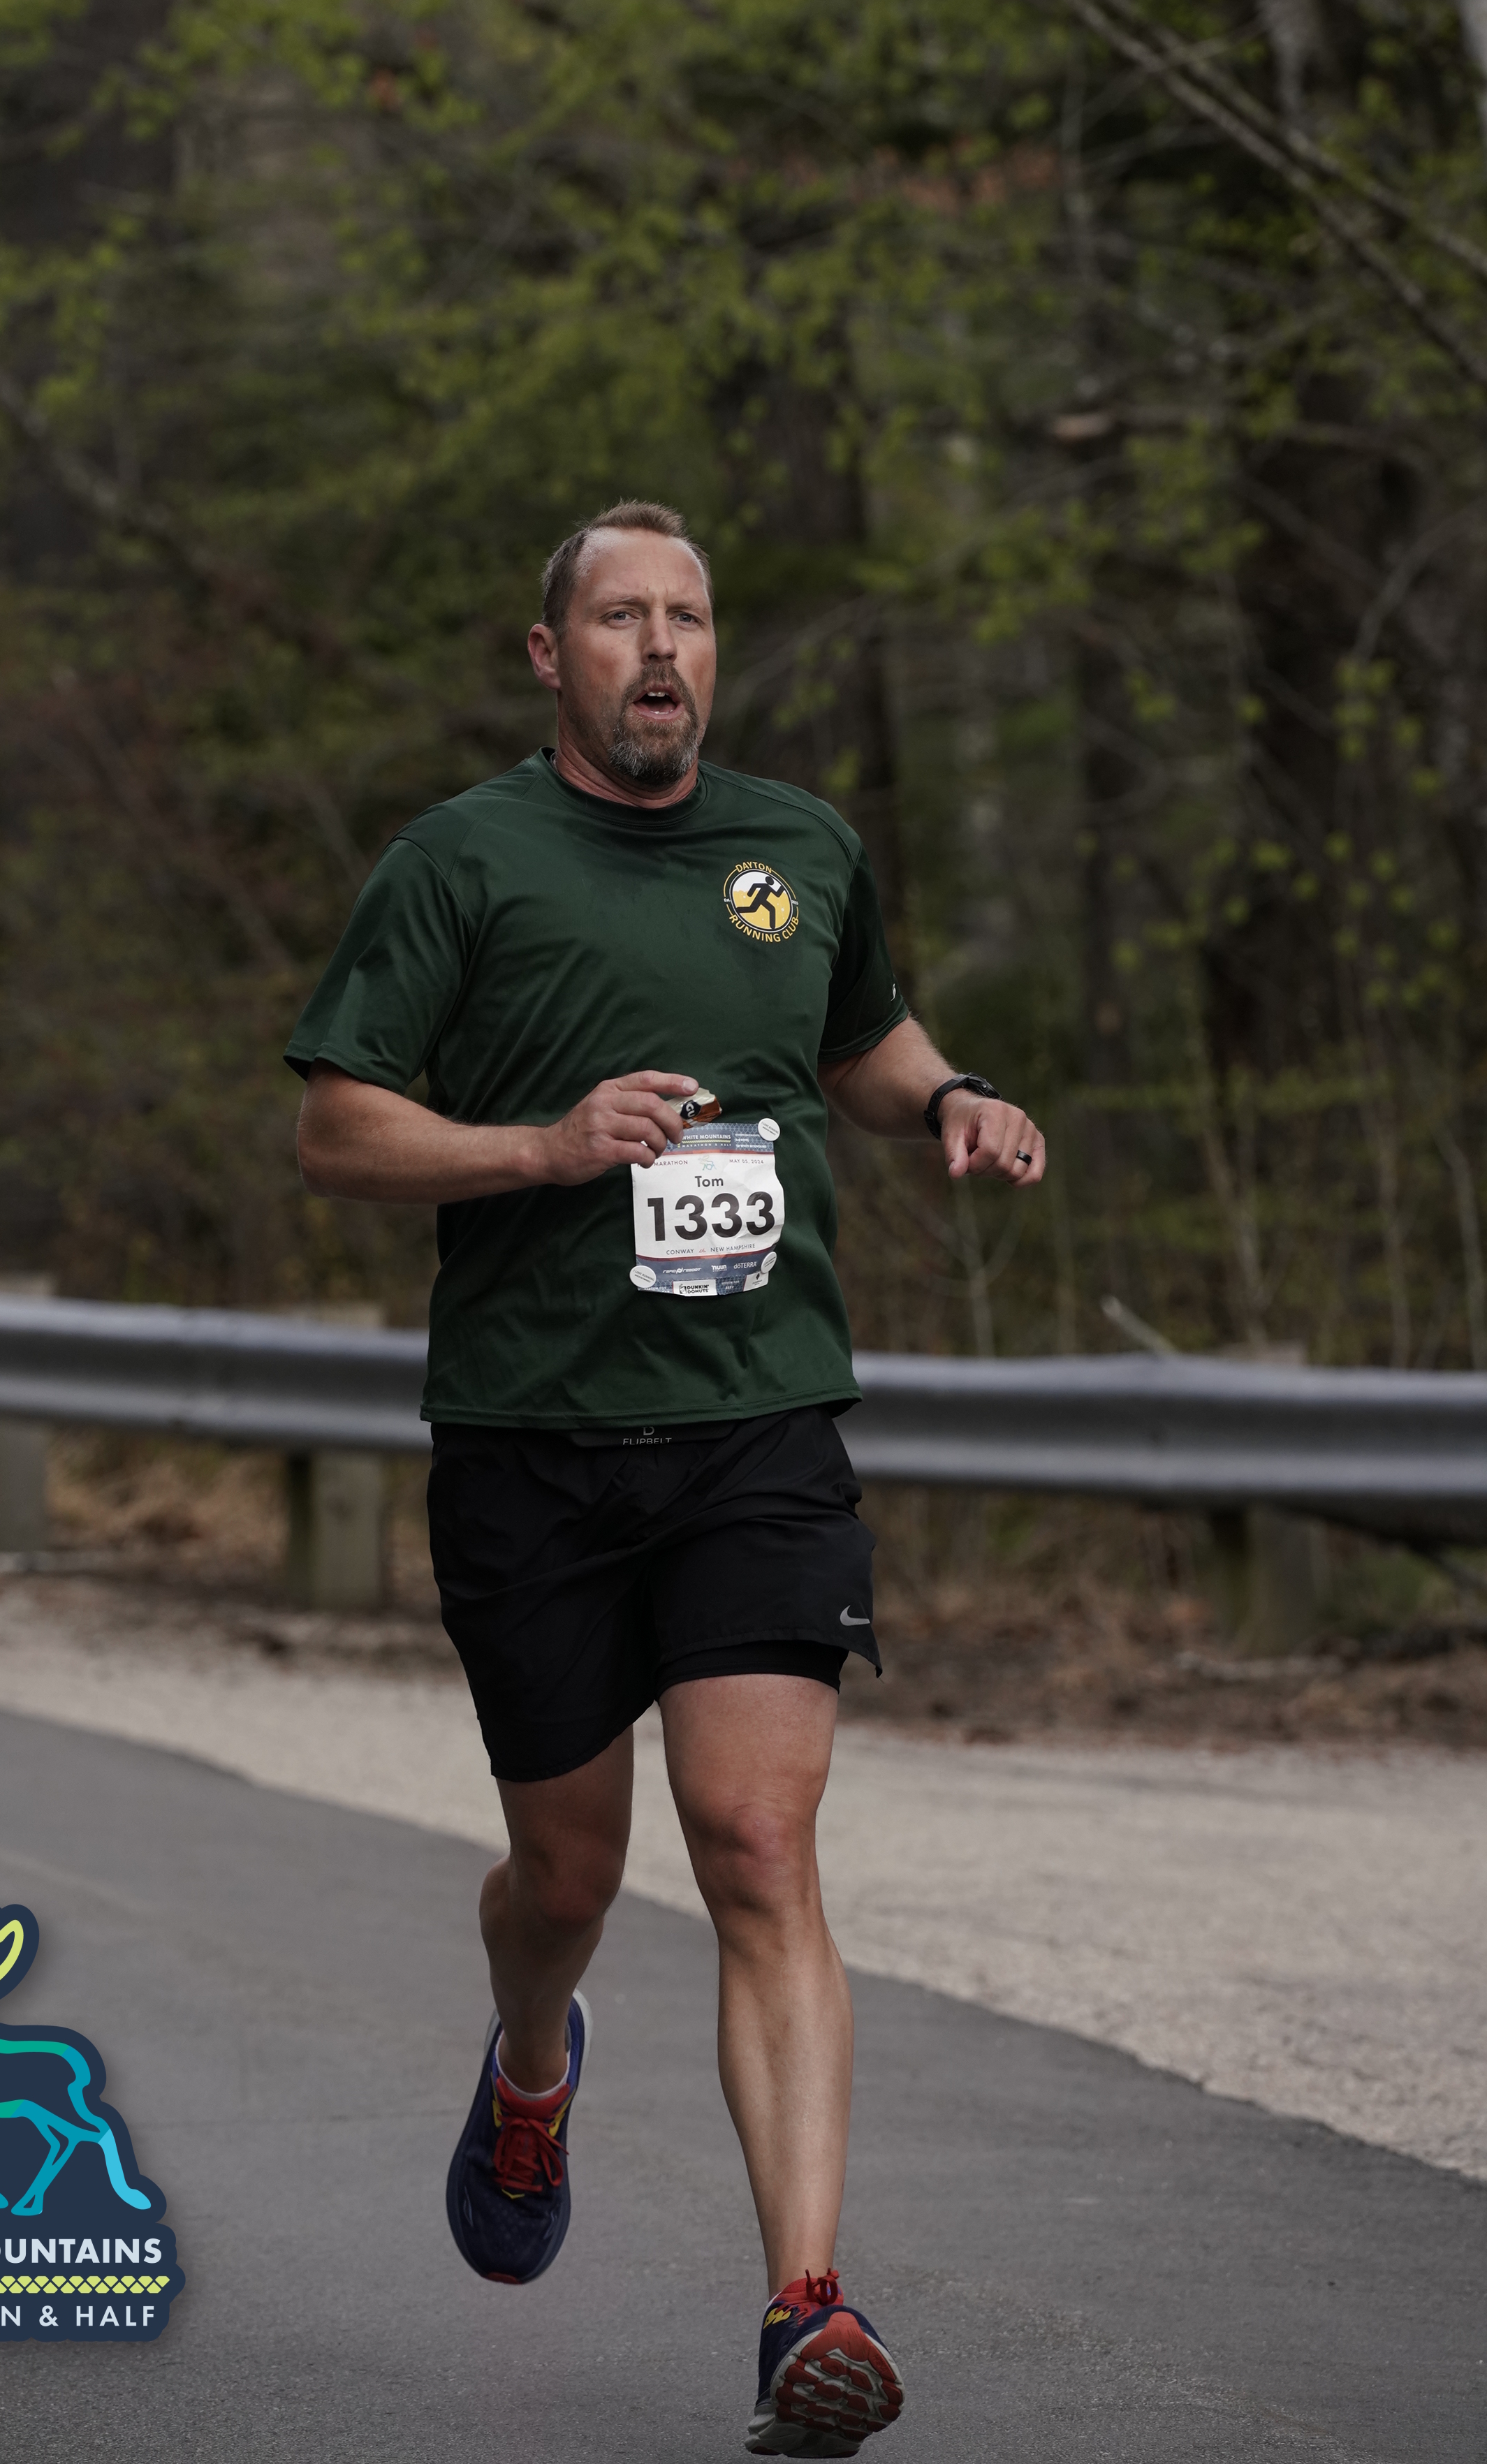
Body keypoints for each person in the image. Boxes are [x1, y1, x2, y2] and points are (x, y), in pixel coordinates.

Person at [286, 499, 1044, 2454]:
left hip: (756, 1423)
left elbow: (861, 1038)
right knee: (568, 1875)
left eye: (688, 618)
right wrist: (542, 1149)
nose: (660, 650)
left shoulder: (800, 849)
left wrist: (951, 1097)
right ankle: (533, 2064)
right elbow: (339, 1131)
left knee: (757, 1846)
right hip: (532, 1438)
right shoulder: (460, 861)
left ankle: (807, 2308)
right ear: (551, 656)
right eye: (620, 618)